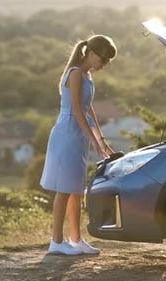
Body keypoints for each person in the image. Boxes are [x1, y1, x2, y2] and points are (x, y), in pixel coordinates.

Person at [40, 34, 117, 255]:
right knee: (64, 190)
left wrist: (100, 137)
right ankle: (56, 241)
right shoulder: (75, 74)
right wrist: (92, 139)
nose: (104, 65)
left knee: (76, 190)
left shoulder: (87, 75)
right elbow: (76, 109)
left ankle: (76, 239)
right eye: (103, 59)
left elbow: (88, 107)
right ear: (91, 54)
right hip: (67, 133)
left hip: (78, 133)